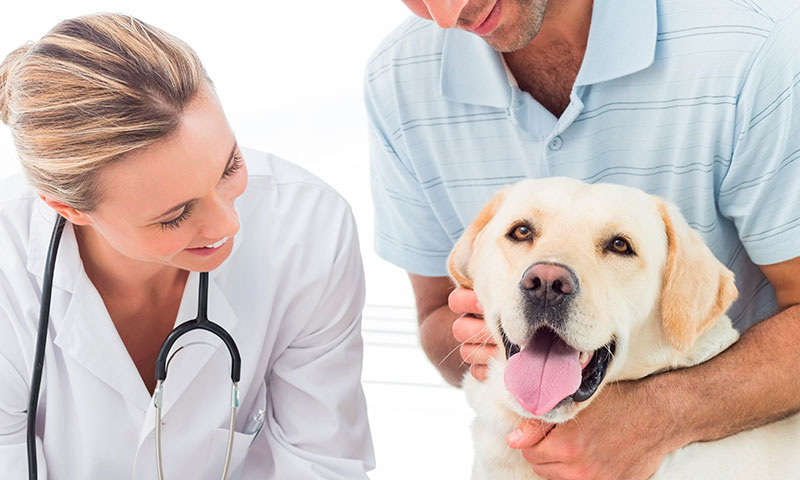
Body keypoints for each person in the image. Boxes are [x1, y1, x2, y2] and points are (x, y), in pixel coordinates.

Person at [365, 0, 800, 478]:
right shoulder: (397, 78)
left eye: (618, 245)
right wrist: (496, 335)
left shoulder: (759, 46)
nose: (449, 16)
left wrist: (661, 415)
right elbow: (436, 313)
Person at [0, 13, 374, 479]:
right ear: (68, 208)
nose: (227, 222)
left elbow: (320, 461)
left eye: (229, 166)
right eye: (174, 215)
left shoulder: (307, 228)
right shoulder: (7, 264)